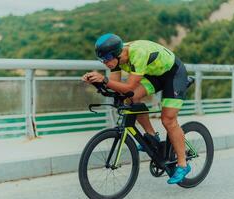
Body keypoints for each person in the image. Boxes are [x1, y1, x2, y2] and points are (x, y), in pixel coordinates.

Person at [82, 33, 191, 184]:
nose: (104, 63)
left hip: (174, 74)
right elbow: (118, 88)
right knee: (131, 99)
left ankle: (183, 164)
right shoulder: (116, 60)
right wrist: (97, 83)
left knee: (168, 120)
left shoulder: (138, 53)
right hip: (155, 75)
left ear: (117, 54)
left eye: (106, 59)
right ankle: (152, 135)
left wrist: (104, 79)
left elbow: (129, 88)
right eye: (101, 60)